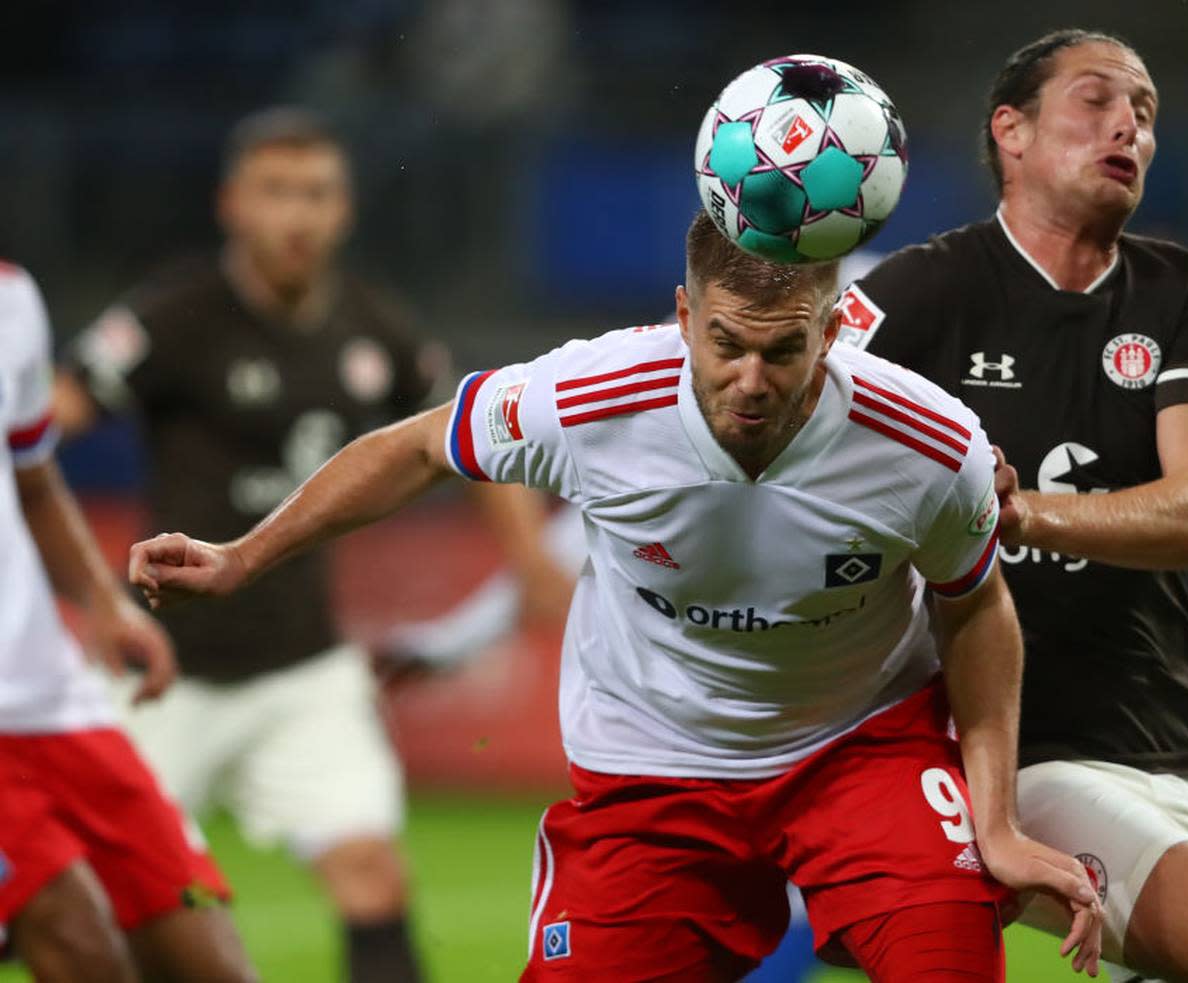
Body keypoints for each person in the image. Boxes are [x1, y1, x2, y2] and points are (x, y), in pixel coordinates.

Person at [128, 211, 1104, 980]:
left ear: (835, 328)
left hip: (861, 746)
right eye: (725, 342)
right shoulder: (591, 397)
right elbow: (419, 446)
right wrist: (244, 557)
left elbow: (976, 605)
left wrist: (996, 819)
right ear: (683, 314)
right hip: (654, 762)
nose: (750, 380)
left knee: (947, 953)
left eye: (783, 350)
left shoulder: (929, 442)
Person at [835, 29, 1188, 983]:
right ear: (1009, 131)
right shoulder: (918, 296)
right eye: (1096, 101)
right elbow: (794, 450)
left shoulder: (1187, 289)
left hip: (1184, 737)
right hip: (1023, 745)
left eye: (1144, 112)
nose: (1127, 126)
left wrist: (1015, 514)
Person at [52, 107, 445, 983]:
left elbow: (463, 433)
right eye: (276, 191)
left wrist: (529, 561)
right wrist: (81, 582)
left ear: (344, 208)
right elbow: (42, 428)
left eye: (316, 193)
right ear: (232, 203)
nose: (297, 215)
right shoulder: (175, 315)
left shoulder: (375, 327)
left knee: (372, 874)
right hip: (164, 672)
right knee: (91, 910)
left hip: (301, 667)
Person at [0, 263, 256, 982]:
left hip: (56, 702)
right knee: (78, 939)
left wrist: (102, 598)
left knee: (209, 956)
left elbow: (32, 476)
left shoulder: (12, 301)